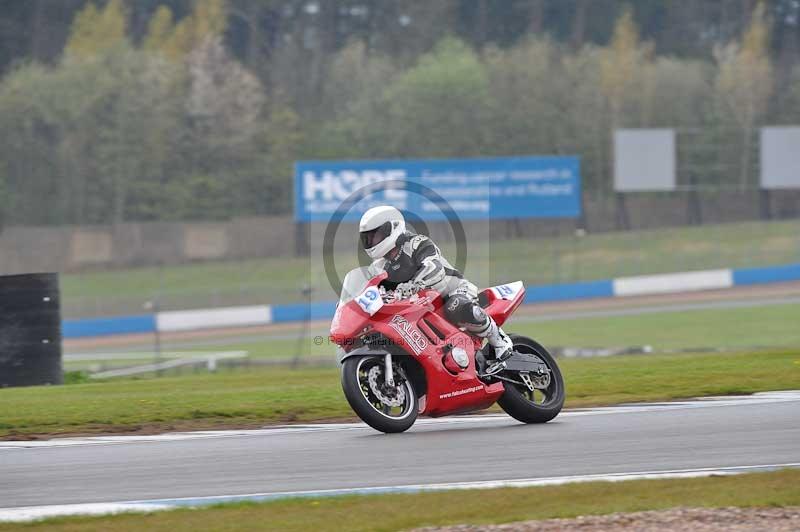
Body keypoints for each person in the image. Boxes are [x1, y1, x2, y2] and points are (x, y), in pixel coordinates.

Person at [359, 205, 514, 362]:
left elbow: (434, 267)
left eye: (375, 236)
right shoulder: (378, 266)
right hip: (420, 307)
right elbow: (373, 289)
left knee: (455, 305)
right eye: (368, 238)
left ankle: (499, 339)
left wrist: (413, 285)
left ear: (392, 228)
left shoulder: (416, 243)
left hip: (452, 292)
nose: (372, 241)